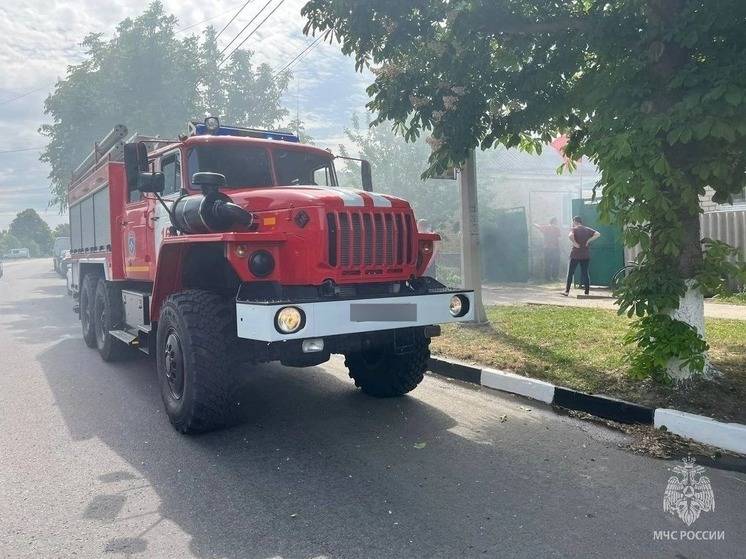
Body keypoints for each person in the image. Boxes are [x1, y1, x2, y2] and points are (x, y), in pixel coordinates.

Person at [563, 216, 600, 296]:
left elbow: (570, 236)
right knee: (585, 273)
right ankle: (586, 293)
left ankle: (567, 292)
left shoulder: (574, 229)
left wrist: (575, 243)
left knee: (570, 273)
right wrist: (588, 240)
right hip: (585, 255)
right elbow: (598, 234)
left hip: (575, 254)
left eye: (573, 222)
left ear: (575, 222)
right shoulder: (587, 229)